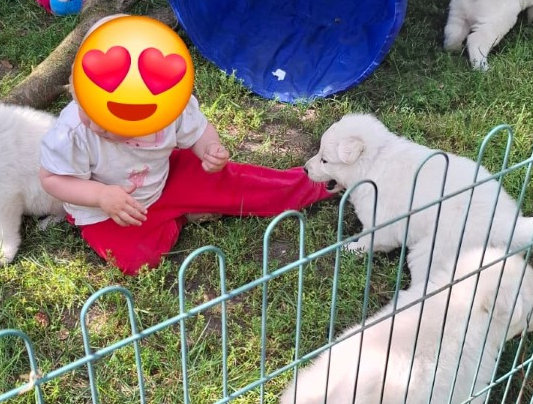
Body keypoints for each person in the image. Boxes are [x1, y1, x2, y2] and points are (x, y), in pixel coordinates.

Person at [39, 88, 330, 275]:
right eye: (85, 107)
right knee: (134, 260)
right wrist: (101, 196)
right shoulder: (72, 132)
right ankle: (181, 216)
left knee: (235, 182)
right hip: (108, 211)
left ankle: (321, 183)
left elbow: (198, 132)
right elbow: (52, 179)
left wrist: (210, 149)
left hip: (165, 177)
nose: (94, 124)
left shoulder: (168, 106)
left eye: (107, 122)